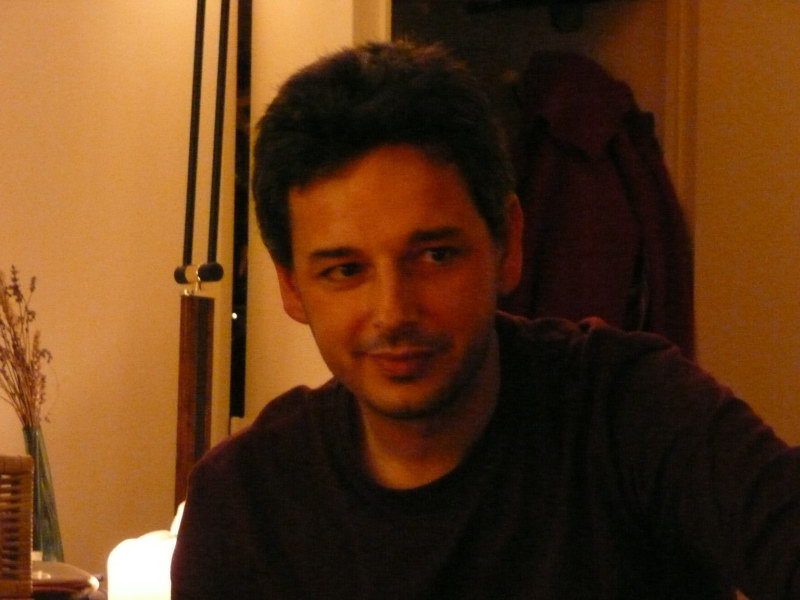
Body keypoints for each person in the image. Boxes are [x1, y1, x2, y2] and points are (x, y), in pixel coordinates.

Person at [171, 41, 800, 599]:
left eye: (435, 256)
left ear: (509, 242)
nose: (393, 312)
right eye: (345, 270)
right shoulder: (243, 503)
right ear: (291, 285)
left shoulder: (635, 412)